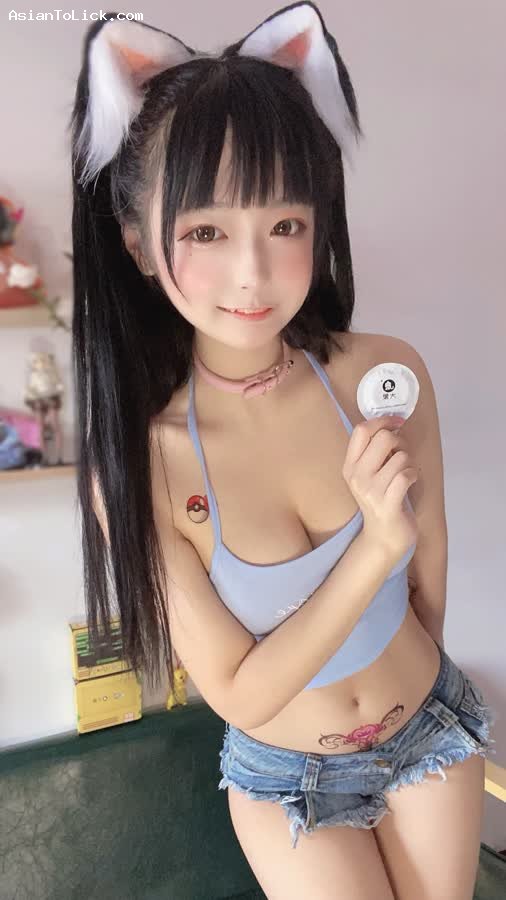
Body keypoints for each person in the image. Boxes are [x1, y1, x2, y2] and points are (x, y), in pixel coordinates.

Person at [69, 4, 495, 897]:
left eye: (285, 226)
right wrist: (375, 545)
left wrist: (412, 677)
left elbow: (432, 571)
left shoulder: (383, 375)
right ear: (139, 245)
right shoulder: (140, 465)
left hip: (429, 728)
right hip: (289, 782)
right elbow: (241, 692)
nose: (252, 274)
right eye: (206, 232)